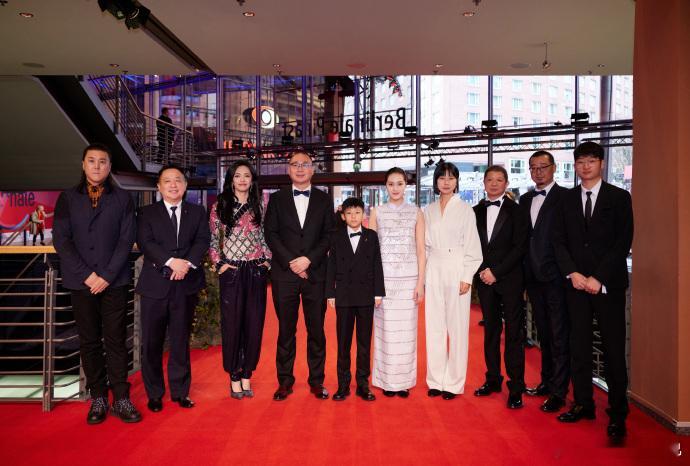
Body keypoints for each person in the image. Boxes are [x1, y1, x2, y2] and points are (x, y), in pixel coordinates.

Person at [52, 143, 141, 424]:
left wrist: (106, 276)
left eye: (103, 161)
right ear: (83, 164)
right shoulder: (67, 198)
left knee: (116, 340)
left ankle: (121, 398)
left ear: (109, 166)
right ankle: (99, 397)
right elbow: (61, 240)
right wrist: (87, 275)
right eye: (92, 161)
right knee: (89, 341)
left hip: (114, 281)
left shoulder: (123, 198)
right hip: (81, 283)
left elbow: (126, 240)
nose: (97, 166)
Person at [553, 141, 633, 441]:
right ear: (574, 166)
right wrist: (573, 273)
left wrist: (598, 277)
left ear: (602, 163)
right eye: (580, 162)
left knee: (613, 351)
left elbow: (623, 241)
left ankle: (618, 415)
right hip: (575, 285)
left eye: (591, 161)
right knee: (579, 347)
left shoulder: (619, 197)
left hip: (607, 286)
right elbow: (558, 241)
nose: (585, 167)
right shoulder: (566, 200)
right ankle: (583, 403)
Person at [135, 165, 211, 413]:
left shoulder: (197, 212)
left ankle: (180, 391)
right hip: (155, 286)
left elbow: (202, 240)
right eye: (167, 181)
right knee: (152, 342)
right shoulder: (146, 213)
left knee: (180, 341)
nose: (173, 185)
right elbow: (146, 242)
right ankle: (154, 393)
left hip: (185, 284)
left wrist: (186, 264)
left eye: (178, 180)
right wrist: (170, 262)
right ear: (159, 186)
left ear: (185, 185)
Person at [264, 150, 335, 401]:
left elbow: (329, 234)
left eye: (305, 164)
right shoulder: (277, 199)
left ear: (312, 169)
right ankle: (284, 382)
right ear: (288, 169)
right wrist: (292, 262)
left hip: (315, 274)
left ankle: (317, 381)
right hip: (285, 275)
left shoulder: (324, 199)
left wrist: (308, 260)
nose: (300, 168)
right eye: (295, 164)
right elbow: (271, 234)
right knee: (286, 331)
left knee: (316, 331)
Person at [209, 160, 271, 400]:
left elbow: (266, 236)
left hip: (256, 270)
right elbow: (213, 239)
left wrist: (267, 260)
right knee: (233, 324)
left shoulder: (261, 204)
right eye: (237, 175)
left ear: (252, 179)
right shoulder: (220, 205)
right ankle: (234, 375)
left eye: (247, 175)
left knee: (254, 324)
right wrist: (220, 264)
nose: (242, 179)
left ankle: (247, 373)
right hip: (232, 271)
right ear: (231, 180)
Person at [424, 162, 483, 400]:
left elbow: (473, 246)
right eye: (442, 178)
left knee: (457, 328)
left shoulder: (466, 209)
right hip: (434, 267)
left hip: (457, 266)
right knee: (434, 326)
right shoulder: (428, 209)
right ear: (436, 181)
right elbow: (424, 246)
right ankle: (435, 380)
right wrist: (424, 275)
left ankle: (454, 383)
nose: (446, 182)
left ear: (457, 181)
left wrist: (467, 276)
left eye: (451, 178)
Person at [472, 165, 529, 409]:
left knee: (514, 334)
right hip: (485, 280)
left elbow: (520, 247)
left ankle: (516, 387)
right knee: (491, 332)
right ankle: (493, 379)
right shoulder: (475, 211)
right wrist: (483, 271)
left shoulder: (518, 211)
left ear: (506, 183)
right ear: (484, 183)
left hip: (510, 280)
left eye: (499, 180)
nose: (494, 184)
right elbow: (471, 246)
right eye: (490, 180)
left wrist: (496, 272)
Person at [519, 150, 570, 413]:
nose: (538, 172)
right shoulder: (525, 199)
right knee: (545, 335)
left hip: (557, 278)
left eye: (543, 167)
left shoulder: (566, 198)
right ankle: (547, 382)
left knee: (559, 336)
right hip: (533, 278)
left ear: (554, 168)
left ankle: (559, 392)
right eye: (534, 168)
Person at [369, 167, 425, 398]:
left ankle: (403, 382)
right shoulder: (377, 212)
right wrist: (373, 285)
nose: (395, 188)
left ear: (406, 185)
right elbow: (370, 252)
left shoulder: (416, 212)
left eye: (399, 183)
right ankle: (386, 381)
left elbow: (421, 250)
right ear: (385, 186)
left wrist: (420, 283)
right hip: (384, 281)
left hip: (409, 280)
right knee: (385, 332)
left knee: (406, 332)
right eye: (391, 184)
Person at [326, 197, 385, 402]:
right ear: (343, 216)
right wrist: (330, 293)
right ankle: (343, 385)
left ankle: (362, 384)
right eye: (349, 213)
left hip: (366, 295)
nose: (353, 217)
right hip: (343, 296)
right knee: (343, 344)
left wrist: (378, 292)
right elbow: (331, 265)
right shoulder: (336, 237)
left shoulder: (371, 236)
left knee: (364, 343)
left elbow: (377, 264)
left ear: (363, 214)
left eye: (357, 212)